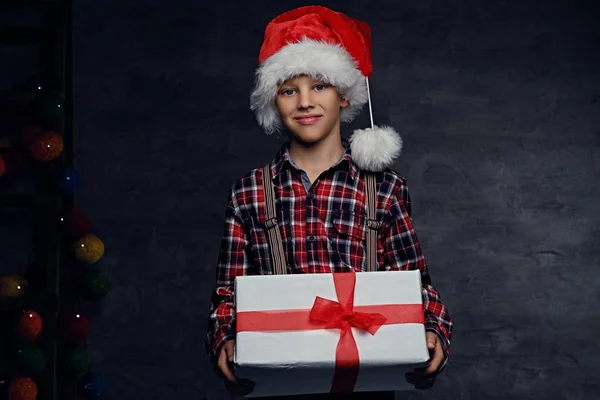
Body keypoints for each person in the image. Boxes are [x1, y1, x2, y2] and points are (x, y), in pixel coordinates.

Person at [206, 5, 453, 399]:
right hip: (280, 379)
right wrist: (224, 338)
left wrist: (433, 329)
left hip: (365, 382)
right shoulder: (249, 193)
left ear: (343, 95)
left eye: (319, 85)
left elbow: (415, 282)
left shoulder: (384, 189)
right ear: (274, 102)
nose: (305, 101)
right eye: (289, 90)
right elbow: (228, 293)